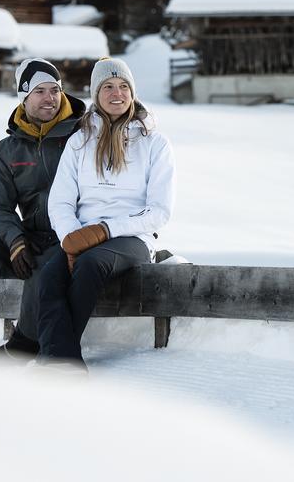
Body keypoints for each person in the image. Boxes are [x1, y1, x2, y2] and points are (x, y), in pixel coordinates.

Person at [37, 57, 175, 369]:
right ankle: (62, 361)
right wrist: (71, 238)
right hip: (81, 237)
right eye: (108, 87)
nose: (117, 93)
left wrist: (104, 230)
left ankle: (56, 360)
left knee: (90, 264)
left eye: (124, 86)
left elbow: (159, 211)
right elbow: (60, 201)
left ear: (132, 92)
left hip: (132, 238)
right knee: (50, 274)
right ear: (96, 94)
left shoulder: (155, 144)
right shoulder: (79, 142)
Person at [0, 58, 86, 359]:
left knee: (45, 267)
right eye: (39, 91)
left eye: (55, 90)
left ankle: (23, 346)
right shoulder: (8, 149)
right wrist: (14, 239)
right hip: (31, 235)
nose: (49, 98)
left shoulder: (81, 136)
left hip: (70, 236)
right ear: (23, 97)